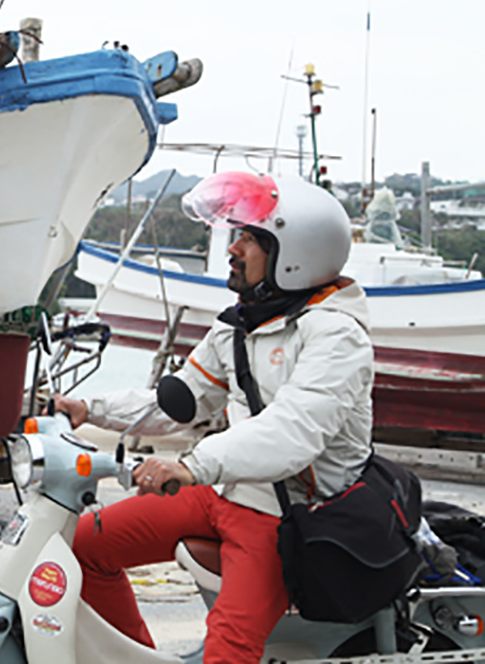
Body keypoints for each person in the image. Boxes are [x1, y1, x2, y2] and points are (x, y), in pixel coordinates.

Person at [53, 172, 373, 663]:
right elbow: (180, 400)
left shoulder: (336, 337)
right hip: (223, 491)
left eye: (249, 238)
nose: (233, 248)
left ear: (295, 253)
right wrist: (87, 409)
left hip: (283, 512)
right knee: (81, 546)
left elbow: (293, 431)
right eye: (237, 235)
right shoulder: (245, 321)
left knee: (229, 651)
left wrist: (191, 466)